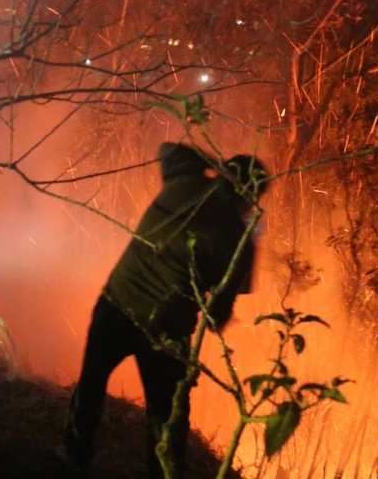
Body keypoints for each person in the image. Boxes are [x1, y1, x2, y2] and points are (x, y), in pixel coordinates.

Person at [58, 143, 268, 478]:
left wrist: (212, 166)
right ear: (251, 197)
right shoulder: (238, 236)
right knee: (166, 413)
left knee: (92, 383)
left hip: (116, 305)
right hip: (165, 330)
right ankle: (162, 472)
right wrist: (250, 241)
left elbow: (170, 149)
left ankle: (74, 454)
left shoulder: (183, 183)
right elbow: (217, 315)